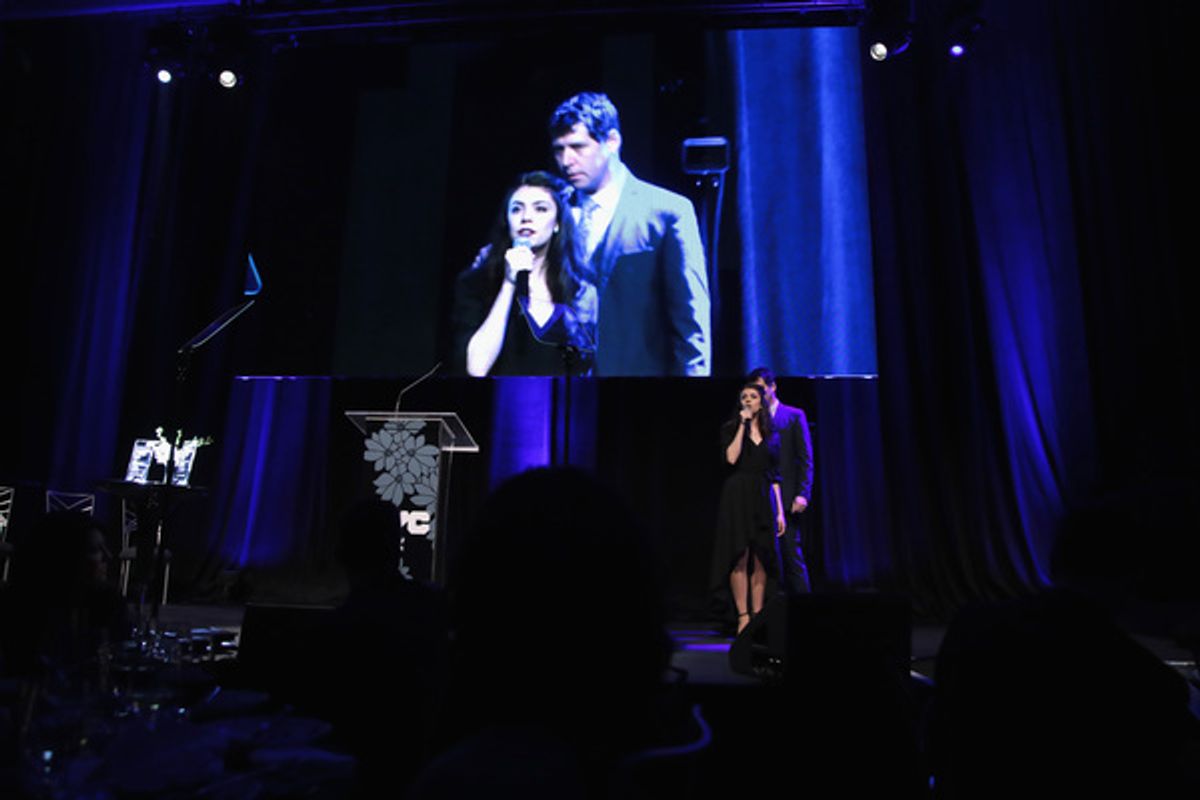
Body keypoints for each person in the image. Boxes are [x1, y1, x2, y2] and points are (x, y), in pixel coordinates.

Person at [548, 91, 711, 376]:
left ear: (611, 141)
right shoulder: (551, 211)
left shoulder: (666, 212)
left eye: (577, 147)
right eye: (559, 150)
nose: (566, 160)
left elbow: (691, 322)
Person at [451, 171, 596, 376]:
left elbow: (586, 366)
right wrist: (509, 284)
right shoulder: (476, 283)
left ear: (557, 223)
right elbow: (476, 368)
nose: (526, 218)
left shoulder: (579, 291)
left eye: (540, 209)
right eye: (517, 209)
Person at [711, 383, 786, 634]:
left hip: (762, 493)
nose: (748, 400)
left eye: (753, 397)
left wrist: (779, 511)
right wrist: (743, 426)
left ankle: (758, 614)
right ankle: (743, 616)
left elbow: (775, 476)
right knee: (739, 555)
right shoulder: (731, 428)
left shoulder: (772, 434)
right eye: (744, 397)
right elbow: (731, 458)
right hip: (737, 494)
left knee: (761, 556)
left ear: (761, 401)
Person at [747, 366, 814, 592]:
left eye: (762, 388)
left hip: (787, 496)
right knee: (764, 558)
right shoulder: (755, 419)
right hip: (762, 495)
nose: (758, 393)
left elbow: (805, 457)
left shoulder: (794, 415)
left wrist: (803, 494)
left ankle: (805, 611)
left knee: (791, 554)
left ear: (773, 387)